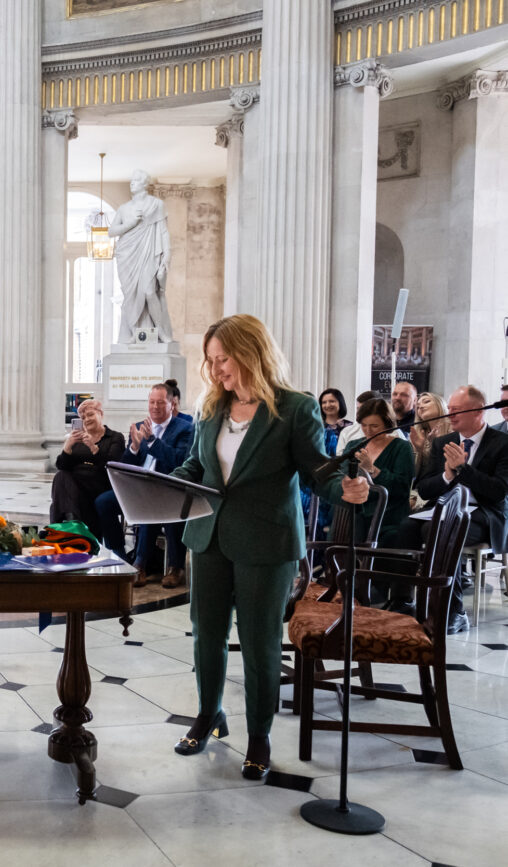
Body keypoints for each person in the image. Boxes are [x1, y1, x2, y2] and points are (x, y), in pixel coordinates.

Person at [168, 314, 368, 781]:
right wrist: (155, 485)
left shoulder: (295, 409)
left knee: (259, 643)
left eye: (225, 360)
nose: (217, 370)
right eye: (212, 361)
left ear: (252, 353)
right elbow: (196, 466)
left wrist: (348, 491)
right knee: (206, 634)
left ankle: (259, 735)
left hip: (267, 540)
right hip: (209, 535)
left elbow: (321, 472)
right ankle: (208, 715)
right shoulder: (211, 408)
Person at [402, 385, 508, 634]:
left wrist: (464, 468)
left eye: (456, 410)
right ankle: (403, 600)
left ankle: (454, 611)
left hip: (484, 515)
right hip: (441, 510)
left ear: (478, 411)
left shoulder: (502, 444)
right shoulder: (444, 442)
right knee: (406, 526)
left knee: (442, 528)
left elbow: (499, 491)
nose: (450, 414)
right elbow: (425, 488)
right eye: (449, 409)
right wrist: (448, 474)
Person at [96, 384, 195, 589]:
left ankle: (163, 565)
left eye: (160, 402)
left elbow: (179, 461)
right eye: (151, 402)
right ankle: (120, 555)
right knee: (103, 502)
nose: (155, 407)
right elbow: (126, 465)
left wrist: (151, 441)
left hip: (169, 490)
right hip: (139, 489)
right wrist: (133, 447)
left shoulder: (185, 429)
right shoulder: (141, 425)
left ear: (172, 403)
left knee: (152, 505)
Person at [109, 168, 172, 343]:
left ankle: (160, 330)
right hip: (127, 255)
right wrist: (130, 223)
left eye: (136, 181)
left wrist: (166, 256)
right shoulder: (124, 209)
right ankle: (134, 332)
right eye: (131, 181)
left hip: (148, 253)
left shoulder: (156, 205)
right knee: (130, 294)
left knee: (149, 292)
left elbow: (164, 232)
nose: (132, 183)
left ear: (144, 184)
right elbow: (111, 231)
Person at [345, 399, 414, 549]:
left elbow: (402, 487)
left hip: (387, 517)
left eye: (374, 426)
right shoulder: (353, 446)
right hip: (356, 514)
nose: (368, 430)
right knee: (343, 526)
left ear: (388, 424)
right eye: (364, 425)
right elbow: (341, 478)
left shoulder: (402, 447)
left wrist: (373, 470)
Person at [50, 399, 125, 533]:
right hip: (76, 486)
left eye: (90, 415)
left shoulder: (115, 437)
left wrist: (93, 447)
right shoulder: (77, 440)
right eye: (83, 417)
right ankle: (73, 522)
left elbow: (113, 465)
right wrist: (67, 446)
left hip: (100, 484)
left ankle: (67, 527)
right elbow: (62, 465)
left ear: (100, 414)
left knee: (62, 498)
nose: (87, 419)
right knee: (61, 476)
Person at [410, 392, 452, 479]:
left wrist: (435, 443)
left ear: (440, 404)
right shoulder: (418, 434)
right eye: (417, 407)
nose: (420, 407)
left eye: (426, 401)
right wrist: (419, 450)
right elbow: (414, 474)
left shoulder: (453, 428)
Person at [334, 390, 379, 456]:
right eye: (358, 408)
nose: (358, 413)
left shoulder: (393, 434)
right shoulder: (346, 432)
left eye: (363, 409)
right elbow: (339, 460)